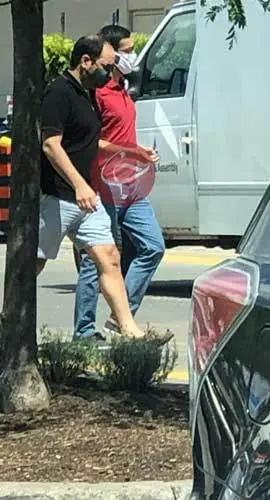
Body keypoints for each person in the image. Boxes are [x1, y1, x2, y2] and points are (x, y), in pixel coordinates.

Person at [38, 34, 152, 341]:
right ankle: (10, 323)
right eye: (106, 66)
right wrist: (79, 185)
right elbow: (51, 145)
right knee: (34, 263)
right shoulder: (59, 92)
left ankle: (129, 329)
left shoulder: (88, 94)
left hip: (88, 199)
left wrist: (131, 152)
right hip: (57, 197)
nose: (110, 72)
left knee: (110, 257)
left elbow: (92, 142)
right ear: (86, 61)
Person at [73, 25, 168, 342]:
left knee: (153, 247)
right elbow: (92, 142)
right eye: (126, 50)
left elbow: (122, 137)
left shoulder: (123, 89)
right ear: (110, 53)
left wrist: (139, 152)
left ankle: (119, 318)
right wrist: (131, 152)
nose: (132, 55)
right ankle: (84, 333)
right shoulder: (97, 94)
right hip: (103, 187)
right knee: (96, 261)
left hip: (131, 187)